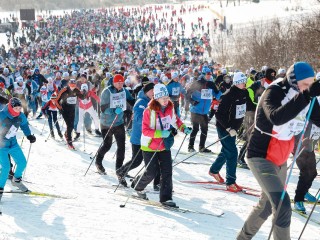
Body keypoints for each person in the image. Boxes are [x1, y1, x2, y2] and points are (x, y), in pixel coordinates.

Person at [237, 62, 320, 240]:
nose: (308, 89)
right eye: (305, 85)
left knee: (266, 206)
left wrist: (308, 95)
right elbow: (276, 117)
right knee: (282, 206)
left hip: (280, 159)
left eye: (311, 85)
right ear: (292, 80)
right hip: (260, 156)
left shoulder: (306, 97)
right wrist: (307, 95)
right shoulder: (273, 92)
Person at [131, 83, 192, 207]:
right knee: (151, 172)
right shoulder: (149, 111)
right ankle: (138, 186)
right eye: (163, 98)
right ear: (156, 98)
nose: (166, 101)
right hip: (149, 145)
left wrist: (183, 128)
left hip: (163, 144)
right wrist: (160, 133)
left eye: (167, 98)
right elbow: (145, 130)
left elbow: (176, 120)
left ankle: (166, 198)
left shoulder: (170, 107)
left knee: (167, 171)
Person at [209, 72, 255, 191]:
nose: (244, 83)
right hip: (224, 127)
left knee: (227, 150)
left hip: (234, 128)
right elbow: (218, 114)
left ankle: (214, 170)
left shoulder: (244, 92)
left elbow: (250, 106)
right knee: (232, 153)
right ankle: (230, 182)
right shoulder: (228, 95)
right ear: (237, 83)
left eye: (244, 81)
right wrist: (228, 128)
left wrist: (262, 110)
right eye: (242, 82)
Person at [116, 82, 161, 188]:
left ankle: (157, 183)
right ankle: (121, 171)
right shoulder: (141, 102)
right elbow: (138, 119)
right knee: (137, 160)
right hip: (139, 137)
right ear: (147, 91)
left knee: (154, 161)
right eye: (152, 91)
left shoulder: (152, 102)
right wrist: (152, 124)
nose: (154, 93)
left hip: (149, 137)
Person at [96, 74, 135, 174]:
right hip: (106, 123)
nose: (120, 85)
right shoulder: (107, 92)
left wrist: (134, 107)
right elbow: (103, 108)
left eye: (122, 83)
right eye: (118, 83)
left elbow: (130, 101)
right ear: (113, 82)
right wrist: (113, 111)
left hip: (119, 122)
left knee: (121, 146)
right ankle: (98, 162)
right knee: (107, 145)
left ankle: (119, 169)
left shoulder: (124, 90)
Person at [0, 98, 36, 201]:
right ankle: (0, 188)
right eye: (16, 108)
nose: (18, 110)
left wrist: (29, 135)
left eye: (20, 108)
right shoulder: (2, 115)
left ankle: (16, 179)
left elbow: (24, 125)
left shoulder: (21, 115)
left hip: (13, 143)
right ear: (11, 107)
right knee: (6, 168)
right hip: (1, 145)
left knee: (22, 162)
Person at [186, 74, 221, 153]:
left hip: (204, 112)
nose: (205, 85)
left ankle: (202, 147)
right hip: (195, 111)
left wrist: (218, 90)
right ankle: (190, 146)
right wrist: (192, 101)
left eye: (206, 83)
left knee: (204, 130)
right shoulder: (196, 86)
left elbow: (218, 96)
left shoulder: (210, 88)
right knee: (195, 129)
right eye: (203, 83)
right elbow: (187, 95)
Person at [55, 79, 84, 149]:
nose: (72, 86)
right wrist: (60, 108)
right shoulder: (64, 90)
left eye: (74, 85)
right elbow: (56, 100)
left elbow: (82, 97)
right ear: (68, 84)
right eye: (71, 85)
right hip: (65, 110)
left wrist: (84, 92)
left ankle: (66, 134)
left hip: (72, 109)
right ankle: (69, 141)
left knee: (71, 125)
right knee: (69, 125)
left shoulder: (76, 90)